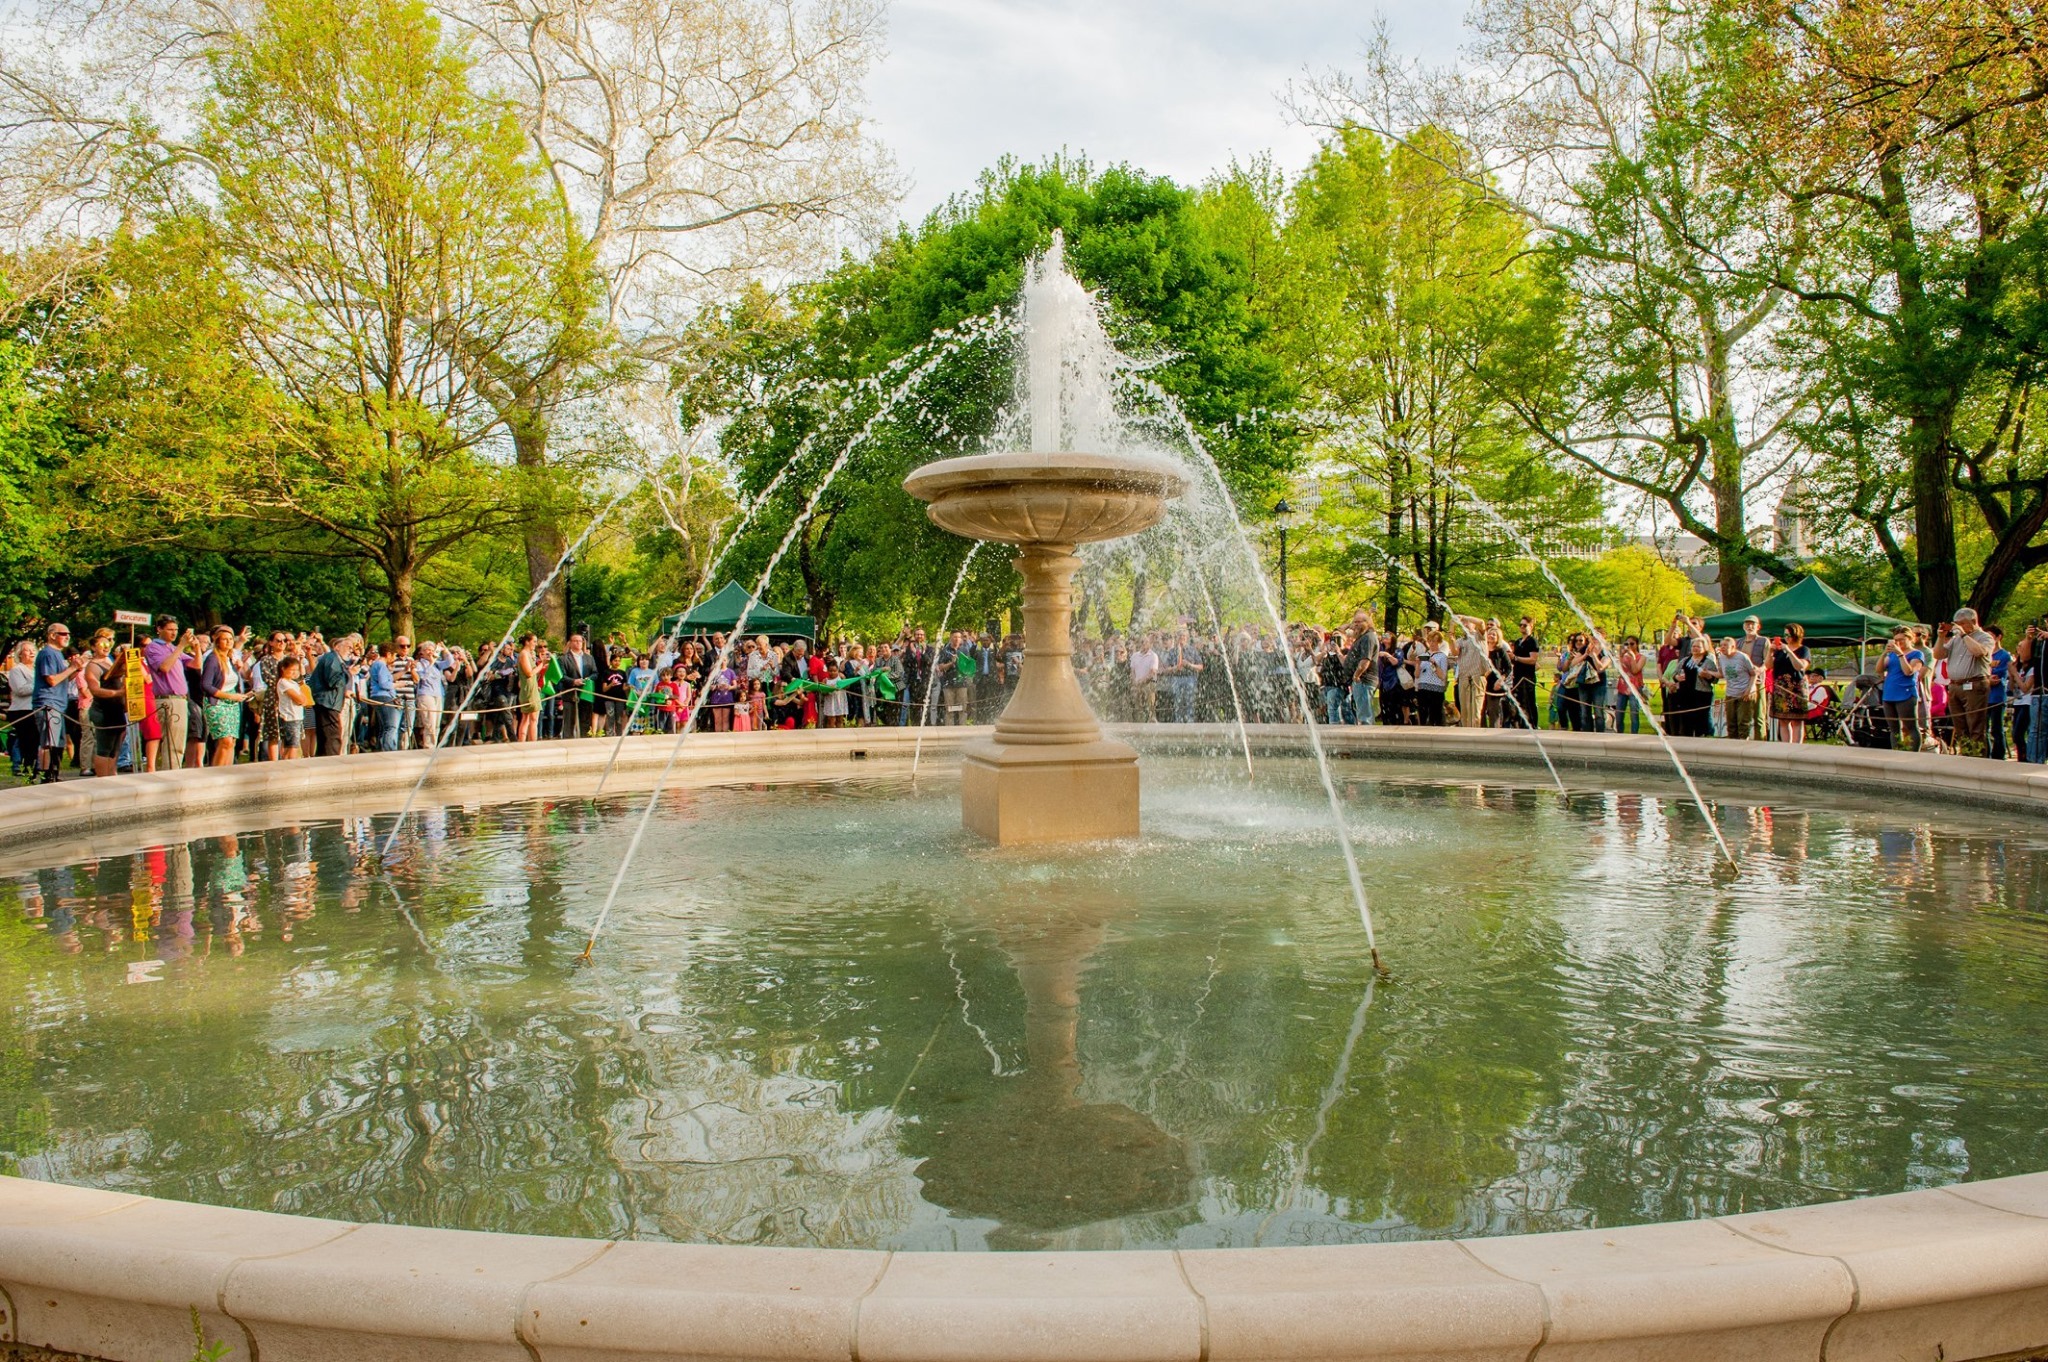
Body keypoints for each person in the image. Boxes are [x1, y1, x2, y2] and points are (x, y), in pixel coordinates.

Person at [1944, 608, 1996, 756]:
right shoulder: (1956, 639)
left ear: (1973, 621)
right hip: (1955, 685)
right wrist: (1941, 637)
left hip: (1974, 684)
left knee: (1975, 726)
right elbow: (1938, 654)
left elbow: (1979, 652)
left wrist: (1964, 634)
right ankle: (1966, 756)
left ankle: (1978, 759)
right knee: (1960, 726)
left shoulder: (1985, 637)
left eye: (1962, 623)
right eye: (1956, 624)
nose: (1958, 627)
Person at [142, 615, 191, 769]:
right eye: (170, 629)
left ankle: (173, 774)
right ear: (159, 629)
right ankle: (170, 778)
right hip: (168, 699)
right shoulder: (154, 647)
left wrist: (195, 646)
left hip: (180, 699)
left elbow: (195, 665)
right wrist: (181, 647)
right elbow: (164, 667)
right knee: (172, 744)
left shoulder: (172, 648)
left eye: (176, 630)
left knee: (178, 743)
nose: (174, 633)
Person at [199, 626, 251, 767]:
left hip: (232, 704)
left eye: (230, 639)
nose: (228, 642)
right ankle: (216, 775)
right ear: (217, 641)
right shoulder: (212, 659)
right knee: (225, 740)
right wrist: (229, 696)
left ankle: (227, 772)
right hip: (217, 703)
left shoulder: (230, 658)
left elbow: (231, 680)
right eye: (224, 639)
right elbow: (206, 685)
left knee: (232, 742)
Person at [81, 629, 128, 776]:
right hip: (103, 710)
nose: (106, 647)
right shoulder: (93, 666)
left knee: (115, 748)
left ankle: (112, 776)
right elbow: (95, 689)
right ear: (94, 647)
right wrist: (118, 693)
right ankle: (102, 780)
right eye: (102, 644)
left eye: (109, 643)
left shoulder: (110, 662)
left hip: (117, 710)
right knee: (104, 748)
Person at [309, 635, 359, 757]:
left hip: (328, 702)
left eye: (352, 648)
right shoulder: (332, 658)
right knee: (333, 736)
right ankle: (332, 765)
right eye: (348, 647)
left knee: (326, 737)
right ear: (337, 647)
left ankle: (323, 764)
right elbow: (333, 681)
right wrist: (349, 673)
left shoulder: (334, 659)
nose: (350, 650)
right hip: (327, 702)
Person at [1878, 626, 1925, 751]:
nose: (1898, 643)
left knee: (1910, 726)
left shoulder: (1917, 654)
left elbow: (1908, 671)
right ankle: (1896, 751)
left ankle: (1914, 753)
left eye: (1902, 640)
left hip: (1906, 693)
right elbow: (1879, 669)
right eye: (1896, 640)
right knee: (1894, 729)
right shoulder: (1892, 655)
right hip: (1889, 693)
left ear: (1910, 639)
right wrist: (1884, 653)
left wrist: (1900, 654)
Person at [1769, 623, 1813, 744]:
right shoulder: (1779, 651)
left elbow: (1800, 666)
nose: (1787, 637)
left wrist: (1788, 650)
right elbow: (1769, 665)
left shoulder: (1804, 649)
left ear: (1796, 635)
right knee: (1783, 720)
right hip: (1781, 688)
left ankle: (1796, 747)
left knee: (1797, 720)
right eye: (1785, 635)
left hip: (1796, 688)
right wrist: (1770, 651)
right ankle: (1785, 746)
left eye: (1789, 635)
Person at [1709, 635, 1759, 741]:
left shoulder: (1742, 657)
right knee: (1731, 722)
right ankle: (1732, 745)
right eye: (1721, 645)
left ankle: (1743, 744)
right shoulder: (1721, 657)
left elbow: (1754, 674)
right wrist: (1707, 672)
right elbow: (1721, 674)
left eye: (1725, 645)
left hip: (1745, 692)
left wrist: (1749, 690)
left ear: (1733, 646)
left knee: (1743, 722)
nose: (1722, 647)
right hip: (1731, 693)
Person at [556, 633, 598, 737]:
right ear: (570, 643)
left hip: (585, 693)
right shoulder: (563, 659)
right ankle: (568, 742)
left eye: (580, 641)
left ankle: (584, 742)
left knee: (585, 721)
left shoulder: (589, 658)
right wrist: (573, 681)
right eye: (575, 641)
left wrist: (589, 679)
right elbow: (561, 676)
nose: (578, 643)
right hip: (570, 694)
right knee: (569, 722)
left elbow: (595, 673)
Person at [273, 655, 311, 759]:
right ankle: (289, 766)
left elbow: (304, 699)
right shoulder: (283, 682)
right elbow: (299, 699)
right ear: (283, 669)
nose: (295, 672)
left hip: (297, 716)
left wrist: (302, 699)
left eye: (297, 670)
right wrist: (301, 699)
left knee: (294, 745)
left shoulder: (294, 683)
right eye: (292, 670)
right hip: (289, 718)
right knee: (292, 746)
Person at [1454, 616, 1489, 729]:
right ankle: (1465, 737)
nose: (1465, 624)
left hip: (1477, 677)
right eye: (1463, 623)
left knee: (1476, 713)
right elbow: (1454, 651)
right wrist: (1451, 628)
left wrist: (1465, 616)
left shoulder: (1478, 636)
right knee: (1465, 712)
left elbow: (1481, 622)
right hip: (1464, 677)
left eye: (1467, 622)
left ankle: (1476, 737)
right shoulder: (1460, 640)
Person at [6, 640, 35, 777]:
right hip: (21, 710)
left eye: (33, 650)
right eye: (27, 650)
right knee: (23, 738)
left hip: (36, 709)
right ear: (20, 654)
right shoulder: (17, 670)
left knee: (33, 739)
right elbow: (20, 689)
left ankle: (31, 765)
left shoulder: (36, 670)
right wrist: (40, 685)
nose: (31, 652)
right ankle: (19, 765)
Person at [1414, 624, 1450, 726]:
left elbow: (1442, 675)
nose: (1432, 643)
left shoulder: (1442, 656)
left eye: (1434, 641)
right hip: (1423, 687)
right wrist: (1417, 664)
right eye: (1430, 641)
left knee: (1436, 714)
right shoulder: (1424, 655)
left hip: (1436, 688)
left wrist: (1434, 663)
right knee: (1423, 714)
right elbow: (1417, 675)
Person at [1509, 618, 1541, 729]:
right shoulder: (1518, 642)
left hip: (1527, 677)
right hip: (1517, 677)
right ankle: (1520, 725)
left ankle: (1532, 726)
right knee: (1519, 703)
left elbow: (1533, 660)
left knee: (1529, 703)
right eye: (1520, 625)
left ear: (1531, 626)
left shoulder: (1532, 641)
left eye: (1525, 625)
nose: (1522, 627)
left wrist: (1516, 658)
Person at [1988, 625, 2012, 760]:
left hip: (1997, 696)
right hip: (1983, 696)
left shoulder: (2004, 655)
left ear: (1998, 637)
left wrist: (1989, 675)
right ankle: (1986, 753)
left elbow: (1998, 676)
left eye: (1991, 636)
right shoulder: (1984, 654)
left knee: (1996, 728)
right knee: (1983, 728)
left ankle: (1999, 756)